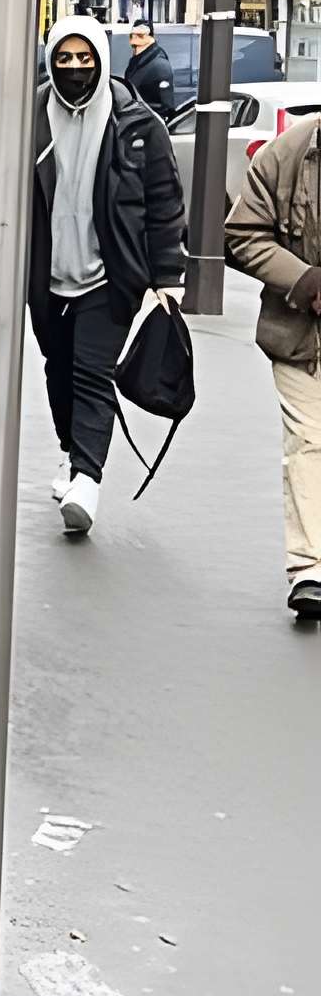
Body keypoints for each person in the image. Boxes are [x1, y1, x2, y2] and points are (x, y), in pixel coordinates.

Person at [27, 19, 185, 539]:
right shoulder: (28, 118)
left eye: (85, 58)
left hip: (109, 275)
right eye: (64, 59)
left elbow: (164, 204)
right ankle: (74, 453)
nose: (75, 68)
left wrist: (168, 276)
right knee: (58, 368)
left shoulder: (136, 123)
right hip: (46, 276)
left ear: (101, 58)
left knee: (93, 372)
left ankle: (87, 482)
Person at [221, 112, 321, 618]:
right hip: (303, 335)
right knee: (308, 442)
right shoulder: (291, 151)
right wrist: (306, 283)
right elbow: (242, 232)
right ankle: (310, 569)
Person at [123, 18, 177, 127]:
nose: (134, 39)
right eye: (133, 35)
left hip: (148, 127)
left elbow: (165, 108)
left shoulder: (159, 65)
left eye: (140, 36)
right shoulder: (138, 61)